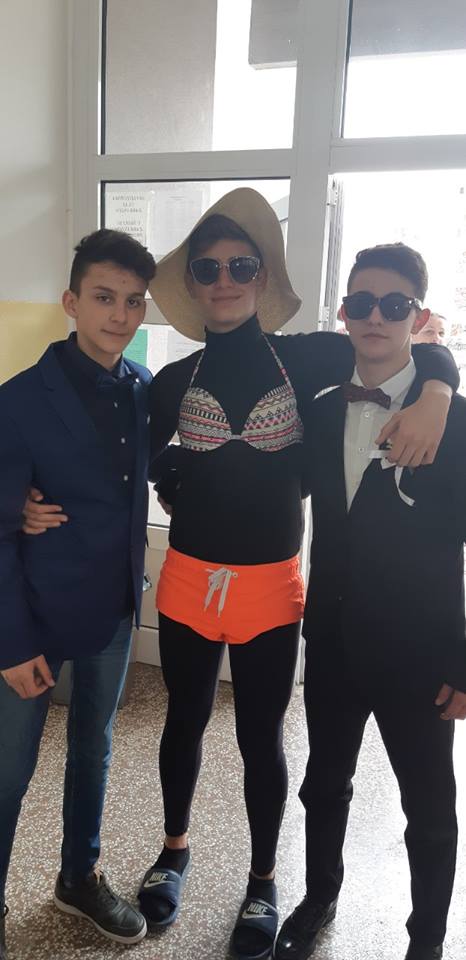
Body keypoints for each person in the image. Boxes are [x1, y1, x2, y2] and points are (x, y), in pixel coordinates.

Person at [133, 189, 457, 960]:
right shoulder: (173, 380)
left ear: (262, 274)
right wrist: (168, 471)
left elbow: (414, 345)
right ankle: (174, 850)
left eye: (240, 265)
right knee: (182, 721)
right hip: (189, 580)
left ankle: (264, 880)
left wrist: (440, 392)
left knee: (261, 739)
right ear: (193, 283)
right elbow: (129, 450)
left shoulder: (311, 356)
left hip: (272, 588)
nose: (224, 279)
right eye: (208, 268)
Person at [274, 243, 466, 960]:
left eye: (393, 304)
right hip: (331, 642)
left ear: (417, 315)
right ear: (345, 312)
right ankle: (318, 897)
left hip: (423, 656)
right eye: (362, 303)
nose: (376, 317)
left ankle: (426, 940)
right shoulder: (323, 411)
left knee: (429, 808)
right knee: (324, 785)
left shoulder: (455, 422)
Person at [0, 229, 156, 957]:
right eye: (103, 297)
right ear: (70, 302)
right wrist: (11, 642)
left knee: (93, 749)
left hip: (113, 611)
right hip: (31, 616)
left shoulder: (142, 389)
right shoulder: (18, 400)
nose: (119, 315)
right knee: (8, 770)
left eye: (133, 301)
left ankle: (78, 876)